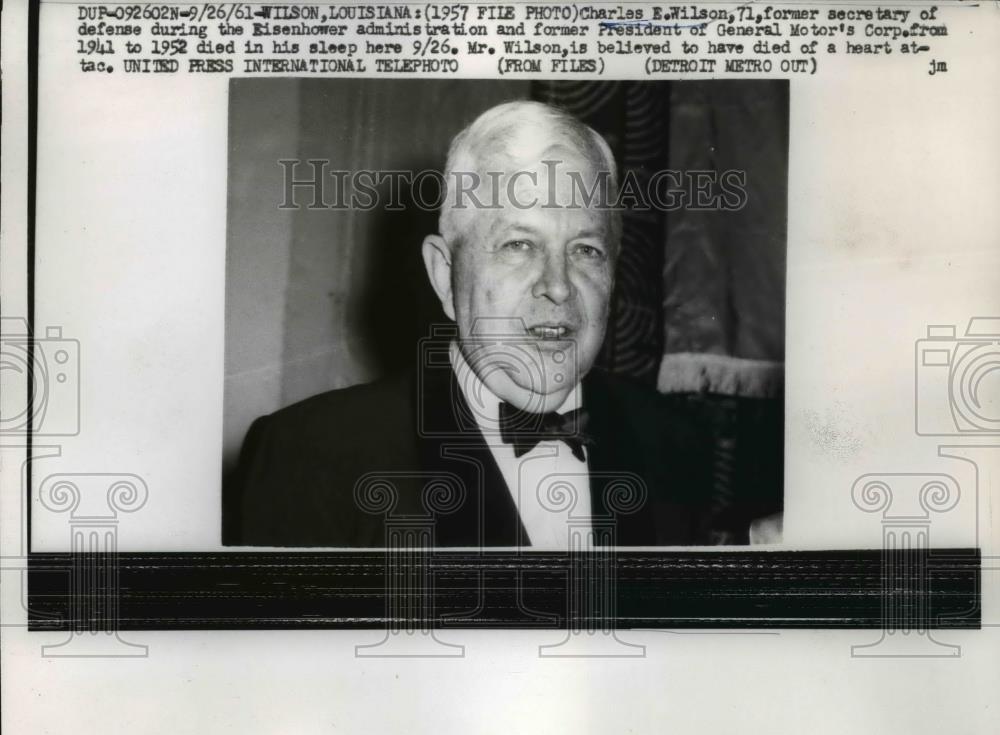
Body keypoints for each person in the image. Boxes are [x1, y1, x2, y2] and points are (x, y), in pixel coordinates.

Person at [228, 100, 716, 548]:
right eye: (518, 245)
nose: (560, 286)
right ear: (445, 275)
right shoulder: (313, 455)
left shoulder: (674, 443)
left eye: (586, 251)